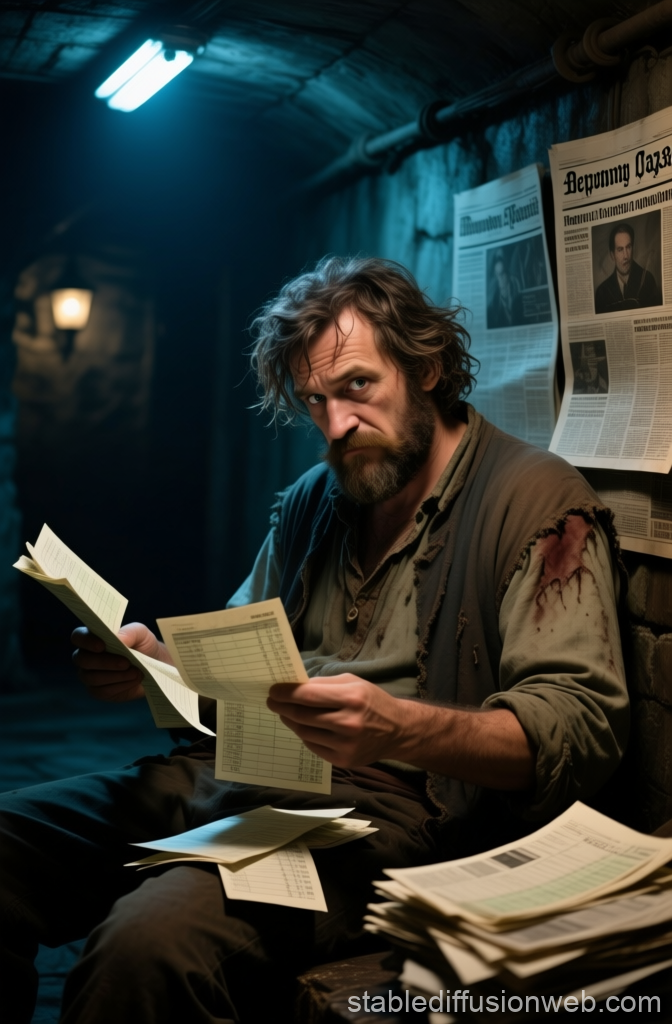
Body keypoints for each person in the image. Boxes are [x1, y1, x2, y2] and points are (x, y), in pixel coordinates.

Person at [0, 257, 629, 1024]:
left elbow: (580, 727)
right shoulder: (317, 496)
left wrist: (401, 727)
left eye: (357, 387)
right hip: (240, 774)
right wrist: (156, 667)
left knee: (147, 943)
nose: (335, 426)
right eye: (315, 401)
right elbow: (234, 660)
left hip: (391, 818)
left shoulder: (534, 500)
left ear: (427, 367)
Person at [594, 221, 662, 314]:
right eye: (620, 249)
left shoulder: (647, 280)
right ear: (612, 255)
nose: (626, 256)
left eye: (628, 247)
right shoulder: (602, 292)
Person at [486, 252, 524, 328]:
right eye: (498, 275)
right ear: (495, 276)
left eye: (502, 273)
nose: (500, 278)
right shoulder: (494, 304)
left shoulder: (517, 293)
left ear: (507, 273)